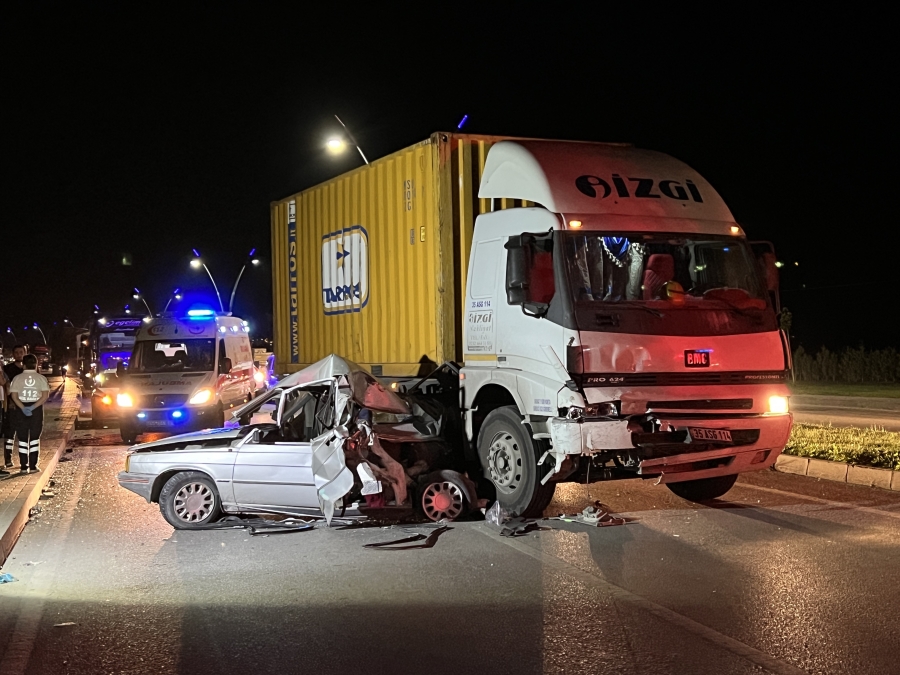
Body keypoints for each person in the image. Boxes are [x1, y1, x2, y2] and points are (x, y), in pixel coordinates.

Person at [9, 354, 50, 474]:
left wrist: (23, 408)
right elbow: (45, 396)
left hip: (20, 410)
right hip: (36, 410)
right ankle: (33, 466)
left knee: (22, 439)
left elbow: (14, 396)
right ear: (36, 364)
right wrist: (32, 407)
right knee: (34, 439)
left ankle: (23, 466)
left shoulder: (17, 378)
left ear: (23, 365)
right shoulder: (41, 378)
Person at [1, 345, 27, 475]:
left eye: (21, 352)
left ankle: (24, 461)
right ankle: (8, 459)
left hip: (26, 406)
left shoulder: (29, 369)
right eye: (16, 352)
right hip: (12, 406)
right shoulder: (8, 369)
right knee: (9, 434)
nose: (18, 354)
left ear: (25, 353)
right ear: (13, 354)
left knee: (23, 434)